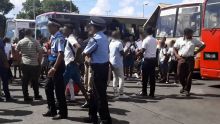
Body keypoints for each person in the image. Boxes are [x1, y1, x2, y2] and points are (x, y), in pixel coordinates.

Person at [83, 17, 112, 124]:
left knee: (99, 95)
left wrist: (87, 59)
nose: (89, 28)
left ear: (94, 27)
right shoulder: (105, 37)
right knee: (95, 94)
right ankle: (93, 116)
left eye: (91, 26)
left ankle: (105, 119)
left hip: (98, 69)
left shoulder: (94, 39)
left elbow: (85, 52)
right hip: (104, 67)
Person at [42, 18, 68, 120]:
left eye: (49, 26)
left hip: (57, 65)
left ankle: (63, 113)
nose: (48, 28)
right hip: (51, 63)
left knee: (59, 90)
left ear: (55, 27)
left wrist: (54, 68)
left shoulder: (59, 38)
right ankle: (52, 110)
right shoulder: (52, 37)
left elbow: (61, 54)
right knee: (48, 87)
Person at [62, 24, 89, 108]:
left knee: (62, 84)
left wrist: (75, 60)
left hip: (70, 65)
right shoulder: (69, 38)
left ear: (70, 30)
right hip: (72, 65)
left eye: (65, 29)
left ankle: (59, 103)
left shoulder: (71, 38)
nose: (63, 31)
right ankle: (88, 100)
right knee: (79, 84)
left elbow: (79, 47)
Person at [174, 28, 205, 96]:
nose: (191, 35)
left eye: (192, 34)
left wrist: (196, 52)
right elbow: (175, 48)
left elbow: (203, 45)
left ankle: (187, 90)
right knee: (179, 74)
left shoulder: (194, 40)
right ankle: (184, 86)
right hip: (181, 59)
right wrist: (177, 56)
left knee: (189, 75)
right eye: (190, 34)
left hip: (190, 59)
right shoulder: (179, 40)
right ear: (185, 34)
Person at [16, 29, 43, 101]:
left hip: (24, 63)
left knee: (25, 81)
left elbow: (16, 51)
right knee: (35, 80)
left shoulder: (21, 41)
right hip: (34, 64)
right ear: (31, 33)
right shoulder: (35, 41)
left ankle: (26, 96)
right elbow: (40, 52)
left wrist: (19, 60)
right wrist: (39, 61)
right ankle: (36, 95)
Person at [136, 27, 157, 97]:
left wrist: (136, 55)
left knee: (145, 77)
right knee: (152, 78)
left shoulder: (146, 40)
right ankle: (152, 93)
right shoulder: (155, 40)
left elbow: (142, 51)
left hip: (147, 60)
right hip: (153, 60)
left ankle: (144, 92)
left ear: (147, 32)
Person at [109, 31, 128, 98]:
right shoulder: (119, 43)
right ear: (118, 36)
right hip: (118, 63)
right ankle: (121, 93)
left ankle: (115, 92)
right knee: (121, 78)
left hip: (112, 62)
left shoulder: (111, 43)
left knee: (115, 77)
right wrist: (127, 48)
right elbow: (122, 54)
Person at [0, 37, 14, 102]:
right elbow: (1, 53)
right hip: (2, 65)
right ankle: (8, 96)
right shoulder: (1, 41)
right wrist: (6, 62)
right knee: (5, 81)